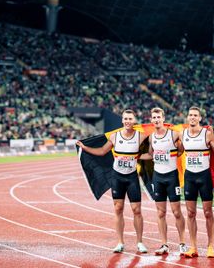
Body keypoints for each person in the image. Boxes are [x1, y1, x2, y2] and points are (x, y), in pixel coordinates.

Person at [76, 109, 149, 254]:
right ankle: (120, 242)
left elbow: (152, 148)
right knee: (118, 208)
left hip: (131, 177)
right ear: (122, 121)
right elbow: (102, 151)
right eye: (125, 119)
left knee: (137, 210)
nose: (128, 121)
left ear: (134, 121)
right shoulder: (115, 136)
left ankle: (140, 242)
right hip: (117, 177)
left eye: (130, 119)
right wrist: (85, 148)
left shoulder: (141, 137)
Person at [144, 107, 188, 256]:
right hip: (158, 177)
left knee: (176, 212)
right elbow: (151, 153)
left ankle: (182, 243)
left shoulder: (174, 134)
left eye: (158, 117)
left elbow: (181, 151)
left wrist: (179, 148)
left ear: (163, 119)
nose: (156, 120)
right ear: (151, 120)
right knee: (160, 212)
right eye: (154, 117)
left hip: (171, 177)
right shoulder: (151, 137)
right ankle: (164, 244)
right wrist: (133, 157)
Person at [180, 106, 214, 258]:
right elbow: (178, 150)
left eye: (196, 115)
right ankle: (193, 246)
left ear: (200, 118)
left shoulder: (207, 134)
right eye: (190, 115)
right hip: (190, 177)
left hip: (204, 177)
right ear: (187, 118)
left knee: (208, 212)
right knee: (190, 213)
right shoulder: (183, 134)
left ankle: (210, 245)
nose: (193, 117)